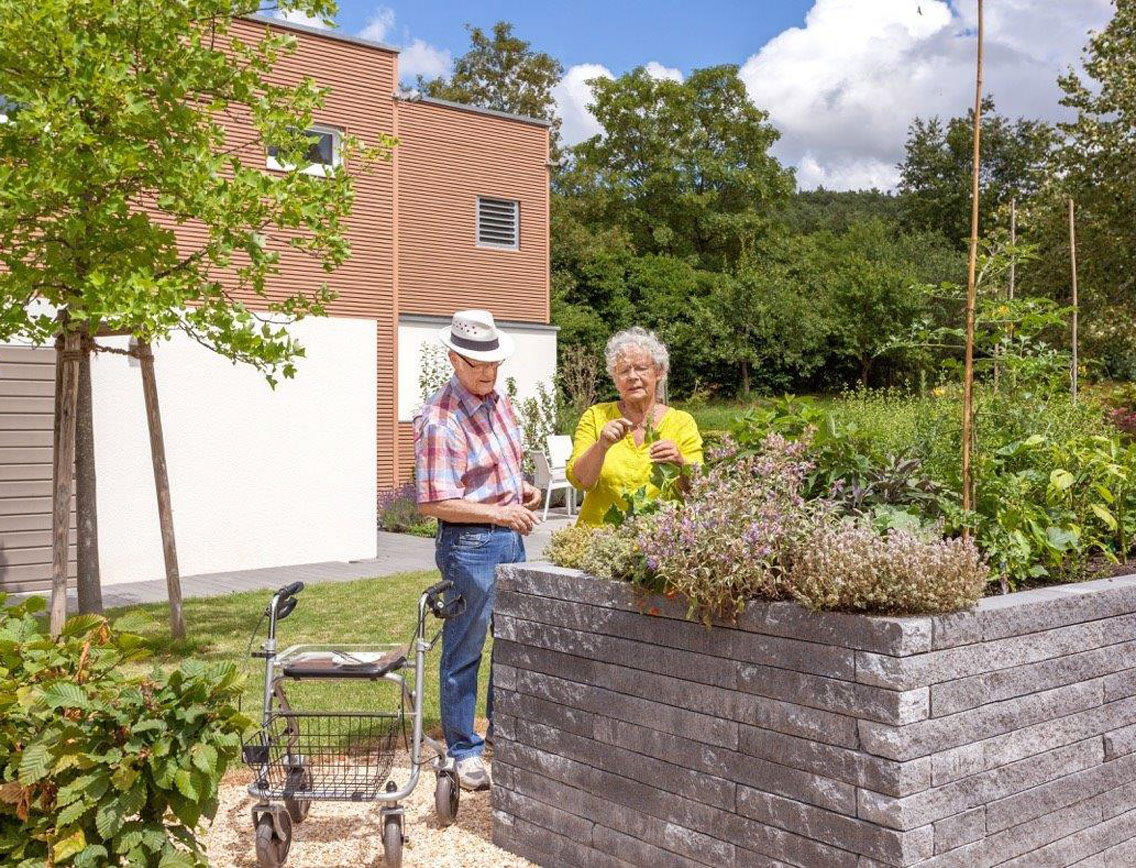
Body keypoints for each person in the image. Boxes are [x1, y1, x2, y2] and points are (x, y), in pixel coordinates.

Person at [414, 309, 543, 791]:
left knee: (511, 640)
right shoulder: (440, 420)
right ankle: (464, 750)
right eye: (475, 364)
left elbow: (491, 475)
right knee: (466, 649)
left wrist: (520, 490)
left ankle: (502, 736)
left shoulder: (499, 403)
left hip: (509, 535)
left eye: (492, 363)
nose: (486, 372)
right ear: (453, 358)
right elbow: (434, 501)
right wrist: (498, 513)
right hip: (469, 545)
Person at [567, 327, 703, 525]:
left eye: (640, 368)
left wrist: (680, 463)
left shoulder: (682, 423)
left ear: (658, 372)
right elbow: (581, 480)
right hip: (600, 544)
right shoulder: (596, 416)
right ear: (615, 378)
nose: (632, 376)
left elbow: (697, 489)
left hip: (658, 543)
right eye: (623, 371)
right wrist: (601, 446)